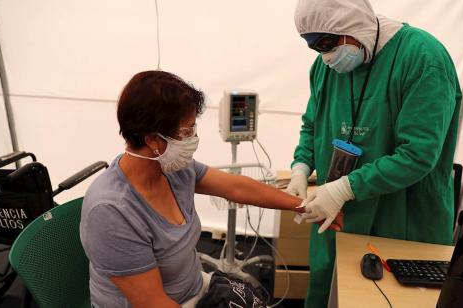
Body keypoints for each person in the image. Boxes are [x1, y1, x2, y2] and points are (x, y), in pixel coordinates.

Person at [79, 70, 338, 308]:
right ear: (153, 140)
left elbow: (236, 187)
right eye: (187, 131)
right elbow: (153, 303)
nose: (194, 139)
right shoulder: (112, 212)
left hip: (193, 289)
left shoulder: (172, 169)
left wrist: (305, 205)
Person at [286, 0, 462, 306]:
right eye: (316, 48)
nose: (326, 58)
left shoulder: (422, 58)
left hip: (403, 220)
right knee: (328, 293)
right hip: (339, 217)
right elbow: (313, 124)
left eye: (328, 44)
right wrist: (301, 165)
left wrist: (345, 186)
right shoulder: (326, 67)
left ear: (354, 24)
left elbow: (418, 154)